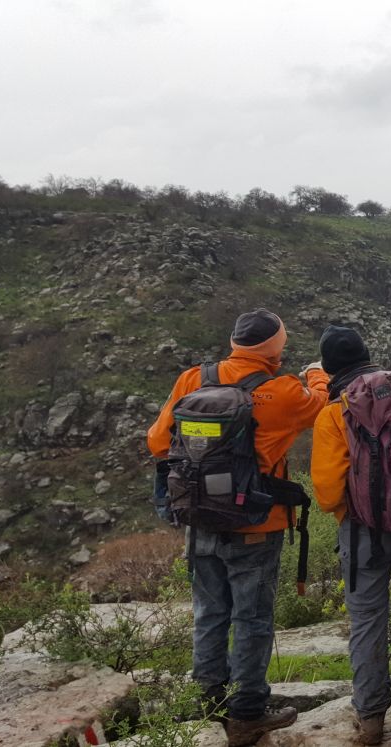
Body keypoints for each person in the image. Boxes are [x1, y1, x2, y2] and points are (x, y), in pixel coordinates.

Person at [147, 309, 328, 747]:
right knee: (252, 618)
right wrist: (317, 374)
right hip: (255, 523)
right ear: (276, 348)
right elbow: (320, 405)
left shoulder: (194, 379)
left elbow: (157, 442)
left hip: (199, 520)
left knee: (209, 614)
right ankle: (247, 712)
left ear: (234, 343)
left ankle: (207, 703)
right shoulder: (283, 392)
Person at [309, 326, 391, 746]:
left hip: (364, 531)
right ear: (369, 357)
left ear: (330, 369)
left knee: (367, 621)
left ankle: (370, 719)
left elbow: (327, 493)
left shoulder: (333, 415)